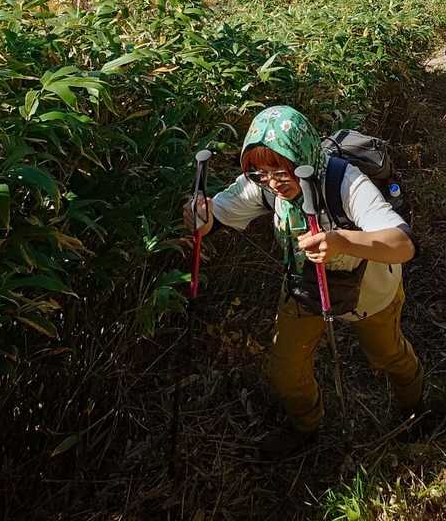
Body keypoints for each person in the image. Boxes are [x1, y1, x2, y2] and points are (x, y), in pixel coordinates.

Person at [181, 105, 423, 460]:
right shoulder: (262, 186)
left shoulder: (346, 182)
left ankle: (415, 409)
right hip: (304, 287)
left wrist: (342, 241)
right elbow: (215, 215)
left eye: (280, 169)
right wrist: (200, 217)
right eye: (259, 172)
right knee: (285, 370)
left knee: (387, 355)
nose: (272, 182)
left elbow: (403, 245)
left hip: (371, 292)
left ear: (303, 155)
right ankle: (305, 426)